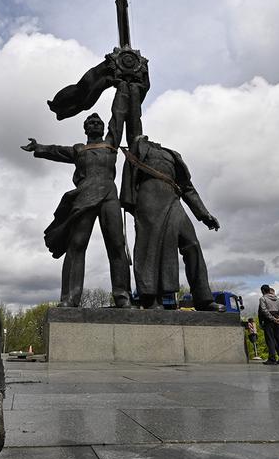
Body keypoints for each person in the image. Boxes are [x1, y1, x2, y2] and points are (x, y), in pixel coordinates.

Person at [21, 113, 131, 308]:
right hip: (85, 195)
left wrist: (123, 88)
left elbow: (118, 115)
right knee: (77, 245)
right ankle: (70, 297)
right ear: (85, 128)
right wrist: (39, 148)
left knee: (116, 244)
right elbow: (57, 151)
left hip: (109, 196)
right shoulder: (79, 149)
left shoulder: (111, 143)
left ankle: (123, 295)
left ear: (104, 128)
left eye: (99, 123)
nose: (96, 124)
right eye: (91, 123)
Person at [119, 130, 224, 311]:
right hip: (149, 197)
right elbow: (129, 171)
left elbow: (187, 188)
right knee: (149, 247)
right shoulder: (139, 147)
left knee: (192, 244)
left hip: (173, 199)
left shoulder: (173, 155)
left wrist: (204, 214)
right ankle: (150, 298)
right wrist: (130, 202)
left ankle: (203, 299)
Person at [258, 285, 279, 365]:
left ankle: (272, 359)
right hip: (278, 321)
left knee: (270, 340)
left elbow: (264, 310)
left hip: (269, 321)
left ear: (263, 291)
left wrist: (272, 319)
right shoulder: (278, 300)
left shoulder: (263, 298)